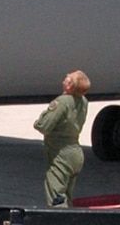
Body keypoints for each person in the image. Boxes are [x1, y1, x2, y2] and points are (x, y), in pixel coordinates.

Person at [35, 71, 92, 206]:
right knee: (67, 196)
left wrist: (38, 122)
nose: (63, 81)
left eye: (67, 80)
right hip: (75, 153)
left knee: (57, 199)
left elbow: (43, 126)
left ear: (70, 86)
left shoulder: (61, 102)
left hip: (61, 155)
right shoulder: (83, 101)